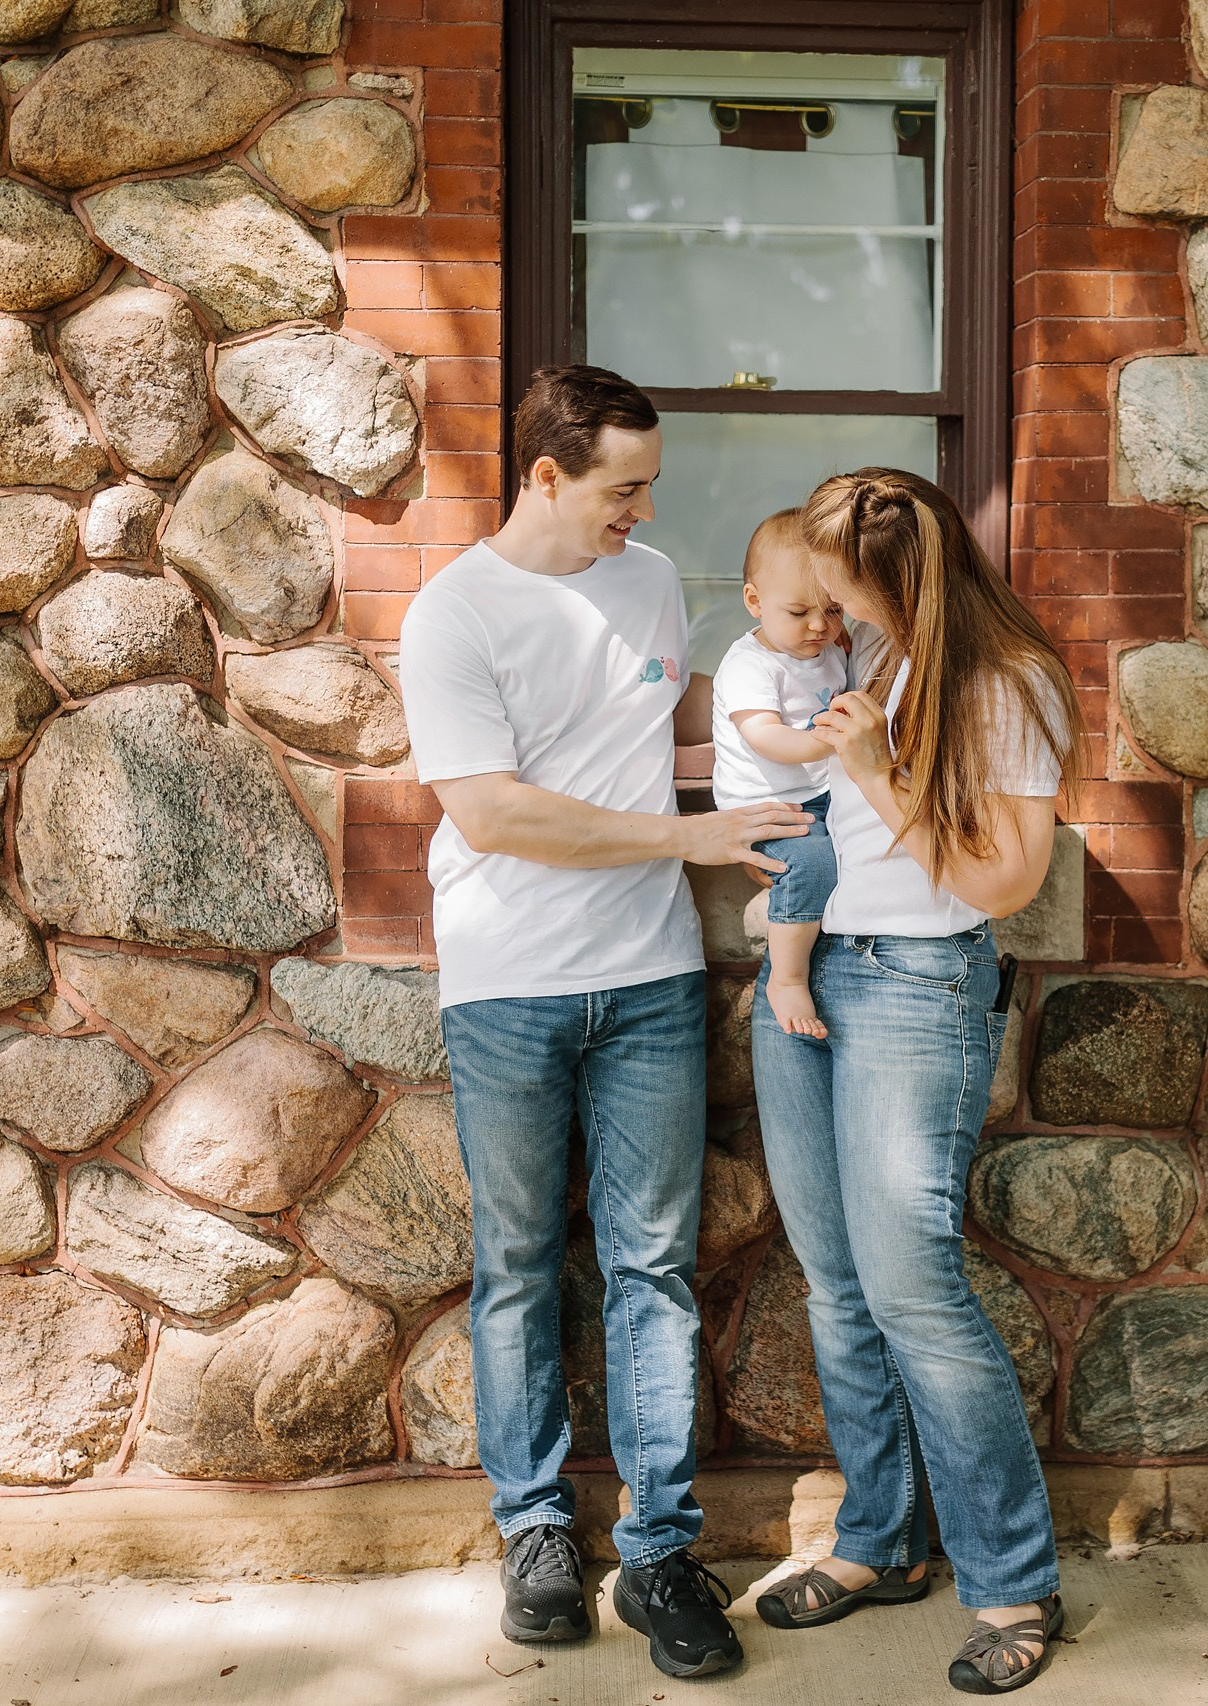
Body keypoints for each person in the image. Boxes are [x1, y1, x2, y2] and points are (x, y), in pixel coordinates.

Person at [397, 364, 810, 1681]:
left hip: (649, 978)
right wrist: (689, 837)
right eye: (624, 486)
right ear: (546, 474)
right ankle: (533, 1531)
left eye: (651, 483)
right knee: (518, 1265)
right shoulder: (453, 613)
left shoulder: (650, 583)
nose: (645, 508)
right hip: (507, 980)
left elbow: (658, 740)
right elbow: (493, 811)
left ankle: (660, 1550)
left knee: (653, 1270)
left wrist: (798, 744)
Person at [746, 468, 1080, 1696]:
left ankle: (1013, 1581)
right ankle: (879, 1541)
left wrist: (878, 768)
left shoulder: (1010, 682)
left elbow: (1004, 884)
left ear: (901, 581)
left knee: (914, 1291)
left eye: (848, 590)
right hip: (812, 978)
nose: (835, 612)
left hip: (916, 985)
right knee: (838, 1286)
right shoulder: (884, 660)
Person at [708, 511, 849, 1039]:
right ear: (754, 601)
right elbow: (765, 736)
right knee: (810, 863)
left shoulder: (829, 649)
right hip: (767, 804)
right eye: (798, 611)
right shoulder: (749, 665)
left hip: (821, 791)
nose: (818, 625)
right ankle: (787, 979)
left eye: (832, 609)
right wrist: (830, 740)